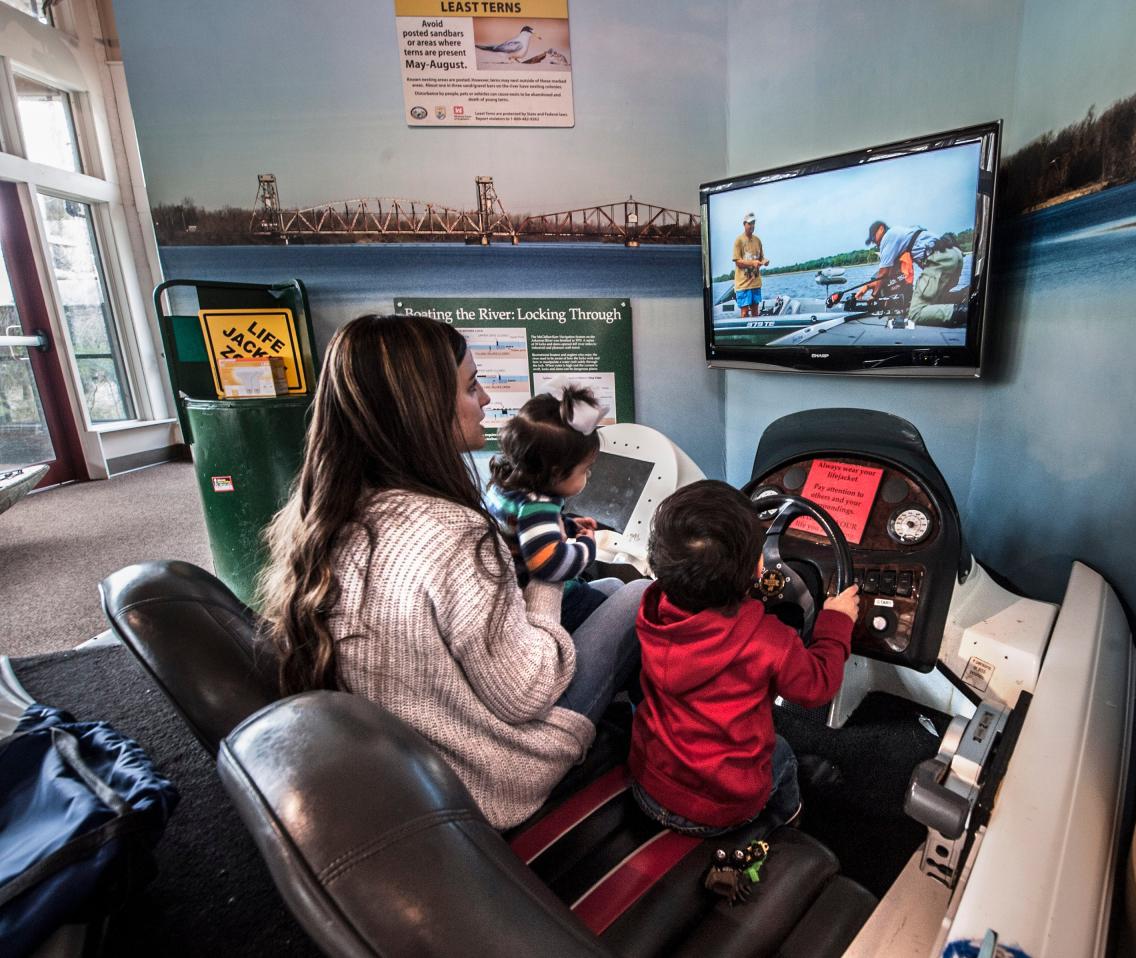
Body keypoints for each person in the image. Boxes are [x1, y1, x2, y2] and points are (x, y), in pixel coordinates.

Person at [257, 314, 647, 830]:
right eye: (470, 386)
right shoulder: (450, 531)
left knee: (599, 587)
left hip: (413, 761)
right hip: (490, 772)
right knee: (640, 592)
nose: (485, 399)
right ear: (422, 409)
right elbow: (527, 691)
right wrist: (546, 574)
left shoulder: (337, 511)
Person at [627, 480, 860, 836]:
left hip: (649, 781)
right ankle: (786, 819)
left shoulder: (654, 608)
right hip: (717, 808)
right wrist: (837, 622)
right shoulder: (768, 641)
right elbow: (819, 685)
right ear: (758, 568)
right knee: (781, 755)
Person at [484, 379, 618, 634]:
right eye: (585, 470)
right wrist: (587, 547)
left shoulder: (505, 486)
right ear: (556, 473)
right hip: (549, 605)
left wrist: (566, 525)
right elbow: (549, 564)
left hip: (516, 593)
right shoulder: (538, 506)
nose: (587, 476)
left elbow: (522, 529)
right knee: (612, 603)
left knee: (613, 588)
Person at [853, 221, 968, 328]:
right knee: (934, 300)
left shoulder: (888, 237)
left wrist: (873, 295)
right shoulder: (903, 234)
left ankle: (966, 311)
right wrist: (867, 286)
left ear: (881, 229)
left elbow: (883, 273)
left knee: (915, 312)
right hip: (954, 255)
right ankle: (965, 294)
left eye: (873, 237)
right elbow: (889, 277)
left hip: (940, 260)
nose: (873, 241)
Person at [731, 212, 769, 318]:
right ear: (744, 224)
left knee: (755, 312)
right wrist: (752, 263)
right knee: (744, 312)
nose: (752, 226)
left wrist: (765, 261)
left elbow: (761, 258)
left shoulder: (758, 240)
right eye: (749, 223)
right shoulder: (738, 241)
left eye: (753, 223)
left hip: (755, 283)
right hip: (743, 284)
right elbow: (737, 261)